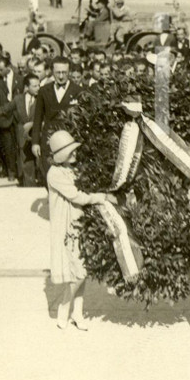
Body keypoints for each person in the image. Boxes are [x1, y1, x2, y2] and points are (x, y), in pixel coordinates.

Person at [46, 130, 116, 330]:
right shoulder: (54, 174)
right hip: (66, 226)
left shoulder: (72, 170)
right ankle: (64, 307)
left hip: (79, 223)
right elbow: (77, 196)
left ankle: (77, 312)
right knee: (79, 272)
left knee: (82, 269)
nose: (75, 153)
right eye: (71, 151)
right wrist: (101, 197)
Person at [30, 57, 80, 184]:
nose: (61, 76)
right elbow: (37, 119)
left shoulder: (78, 91)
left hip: (69, 140)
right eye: (58, 72)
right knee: (49, 175)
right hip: (49, 140)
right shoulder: (44, 90)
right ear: (52, 72)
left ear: (69, 72)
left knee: (69, 179)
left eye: (64, 72)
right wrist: (35, 142)